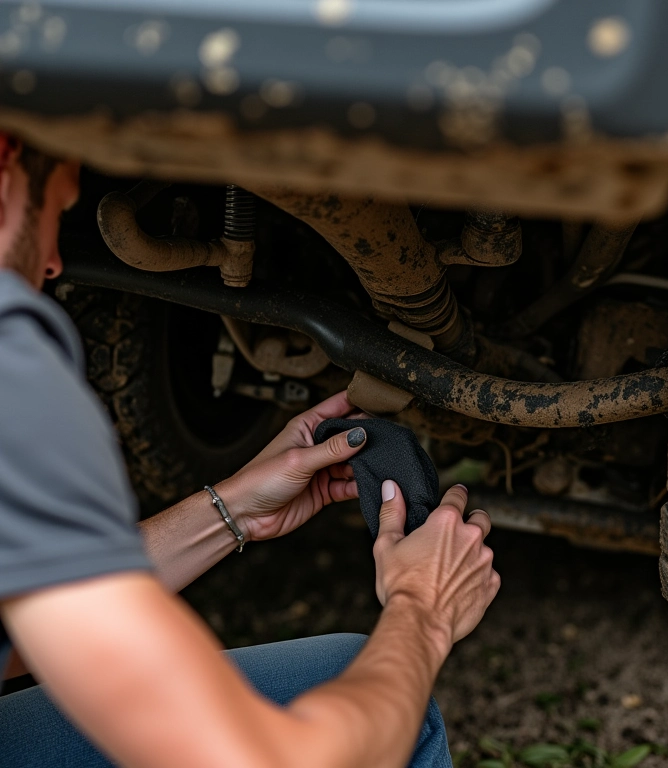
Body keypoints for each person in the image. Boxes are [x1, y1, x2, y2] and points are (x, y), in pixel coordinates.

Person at [0, 135, 500, 768]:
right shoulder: (12, 369)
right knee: (391, 727)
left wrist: (230, 510)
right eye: (59, 210)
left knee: (343, 675)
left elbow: (29, 623)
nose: (51, 263)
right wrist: (424, 612)